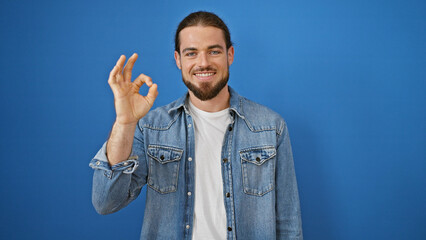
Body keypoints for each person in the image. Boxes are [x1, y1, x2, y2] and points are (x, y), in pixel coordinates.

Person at [90, 11, 303, 240]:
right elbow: (106, 202)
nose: (203, 63)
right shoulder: (151, 128)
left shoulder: (271, 127)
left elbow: (288, 222)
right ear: (178, 59)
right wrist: (124, 123)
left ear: (230, 55)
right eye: (191, 53)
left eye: (214, 51)